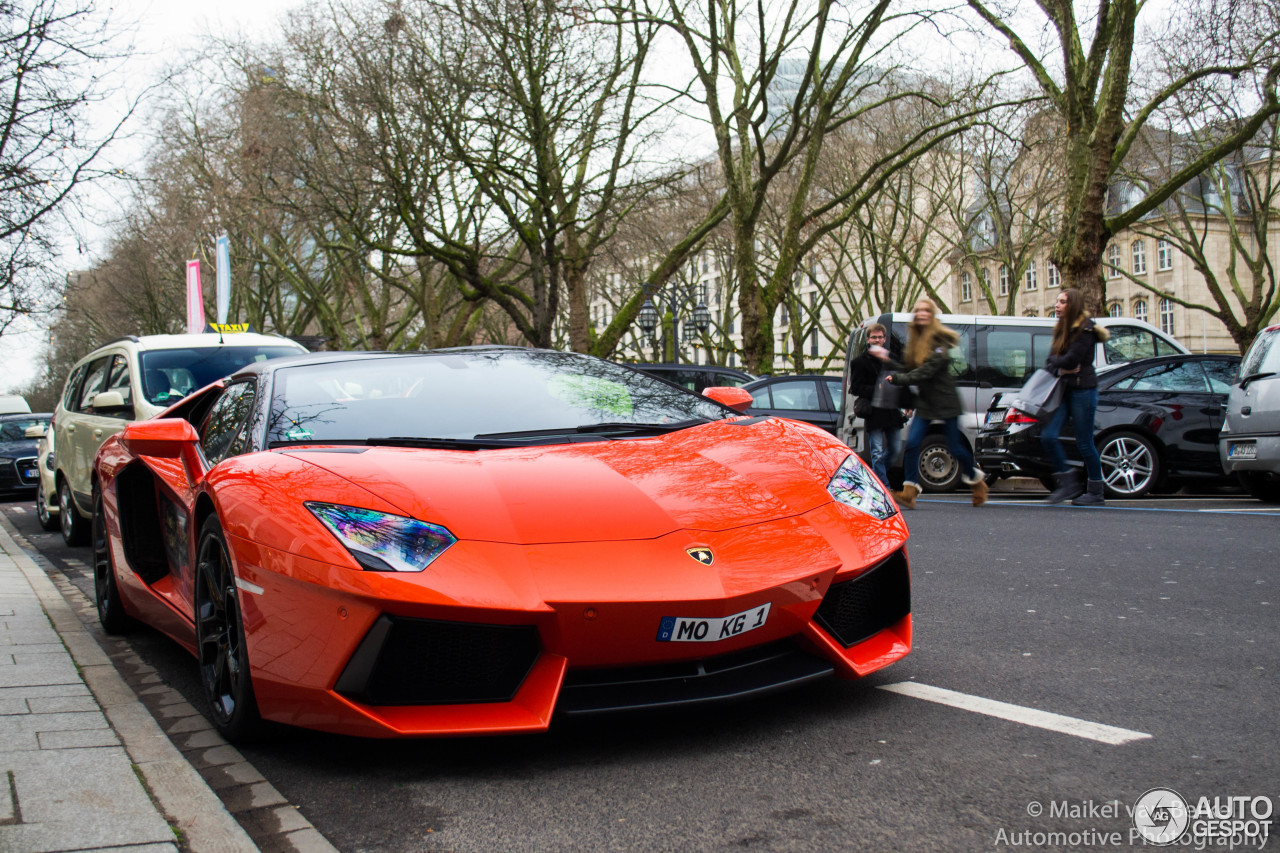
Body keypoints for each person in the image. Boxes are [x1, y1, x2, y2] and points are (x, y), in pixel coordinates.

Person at [872, 298, 987, 509]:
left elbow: (925, 372)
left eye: (927, 310)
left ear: (931, 315)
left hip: (945, 402)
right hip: (926, 403)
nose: (923, 314)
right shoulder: (915, 342)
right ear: (916, 315)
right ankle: (909, 492)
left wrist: (897, 379)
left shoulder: (939, 343)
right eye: (919, 311)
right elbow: (908, 368)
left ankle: (977, 482)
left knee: (955, 447)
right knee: (913, 443)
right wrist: (887, 357)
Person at [1041, 288, 1109, 506]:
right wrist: (1062, 368)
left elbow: (1071, 360)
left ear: (1073, 305)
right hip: (1066, 389)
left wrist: (1060, 365)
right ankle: (1068, 481)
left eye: (1062, 302)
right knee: (1049, 436)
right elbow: (1051, 361)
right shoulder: (1060, 329)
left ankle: (1096, 491)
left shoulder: (1085, 330)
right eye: (1057, 301)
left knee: (1085, 443)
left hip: (1084, 391)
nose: (1057, 305)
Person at [848, 323, 907, 486]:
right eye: (874, 337)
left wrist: (906, 403)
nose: (877, 340)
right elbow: (855, 387)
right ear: (868, 339)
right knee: (876, 452)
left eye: (880, 337)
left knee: (895, 449)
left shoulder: (892, 359)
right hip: (873, 411)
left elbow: (902, 380)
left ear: (884, 339)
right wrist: (877, 388)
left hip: (891, 410)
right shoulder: (859, 362)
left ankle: (873, 478)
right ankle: (884, 486)